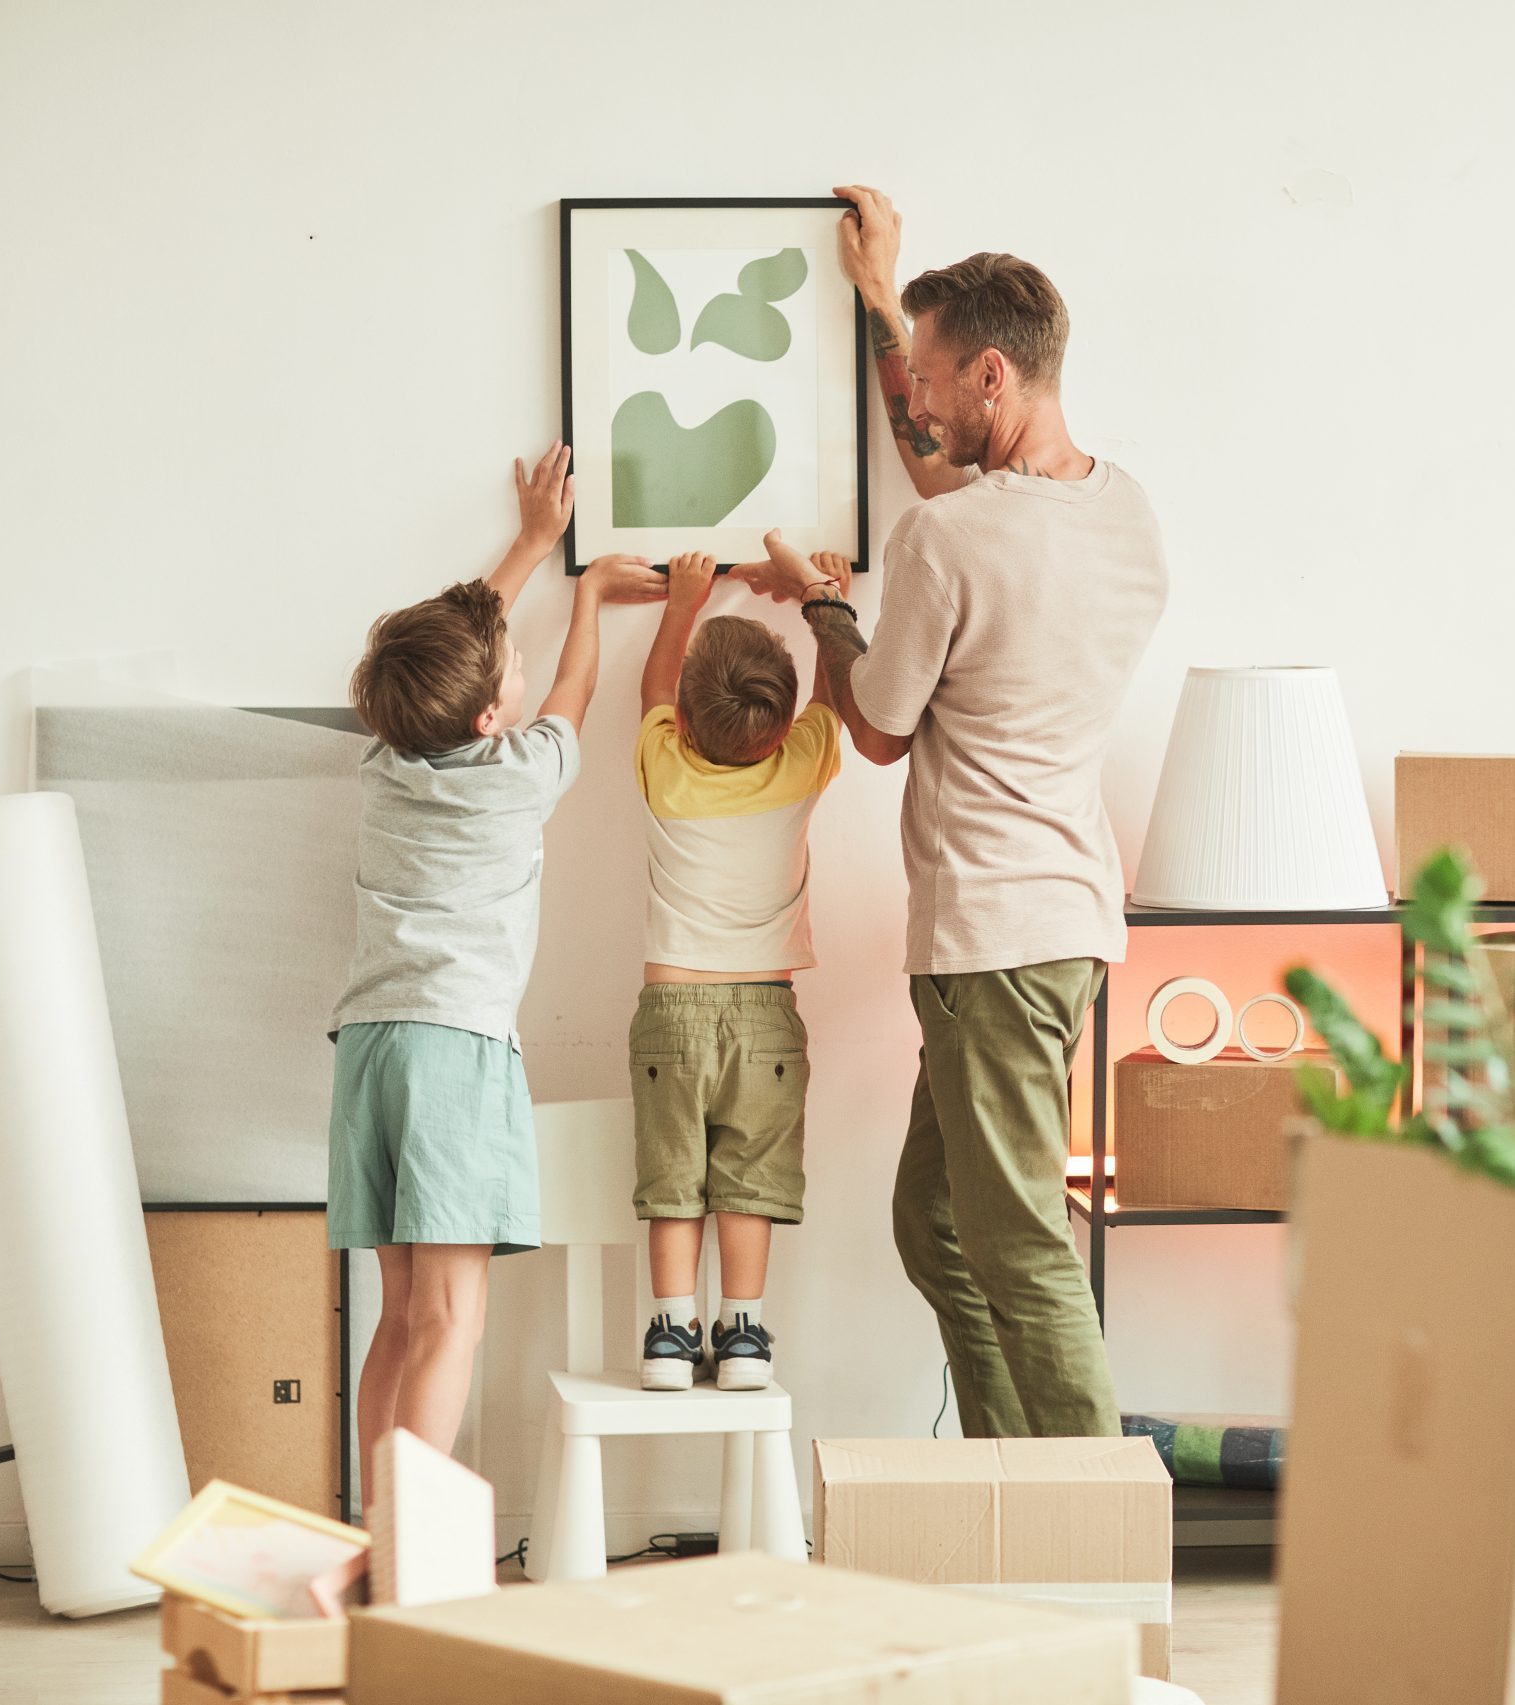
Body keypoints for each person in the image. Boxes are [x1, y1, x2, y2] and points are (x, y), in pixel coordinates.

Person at [730, 186, 1168, 1438]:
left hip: (990, 937)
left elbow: (872, 727)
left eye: (926, 376)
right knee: (937, 1221)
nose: (911, 400)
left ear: (990, 373)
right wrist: (881, 298)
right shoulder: (1126, 512)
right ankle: (1008, 1480)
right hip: (1065, 923)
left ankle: (1095, 1542)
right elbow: (948, 493)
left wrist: (820, 605)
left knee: (1020, 1242)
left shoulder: (945, 547)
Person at [327, 442, 666, 1504]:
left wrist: (530, 545)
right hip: (454, 1051)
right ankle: (413, 1548)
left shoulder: (383, 765)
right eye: (501, 669)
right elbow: (569, 688)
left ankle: (379, 1528)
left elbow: (465, 648)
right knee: (452, 1320)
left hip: (368, 1052)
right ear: (487, 718)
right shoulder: (520, 776)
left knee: (398, 1316)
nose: (517, 667)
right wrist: (591, 603)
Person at [629, 549, 845, 1391]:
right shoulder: (800, 763)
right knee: (748, 1179)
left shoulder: (664, 766)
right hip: (765, 1013)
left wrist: (682, 602)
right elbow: (832, 699)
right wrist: (829, 606)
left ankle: (671, 1333)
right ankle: (744, 1334)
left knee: (672, 1178)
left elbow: (652, 685)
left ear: (683, 721)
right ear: (781, 728)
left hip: (670, 1006)